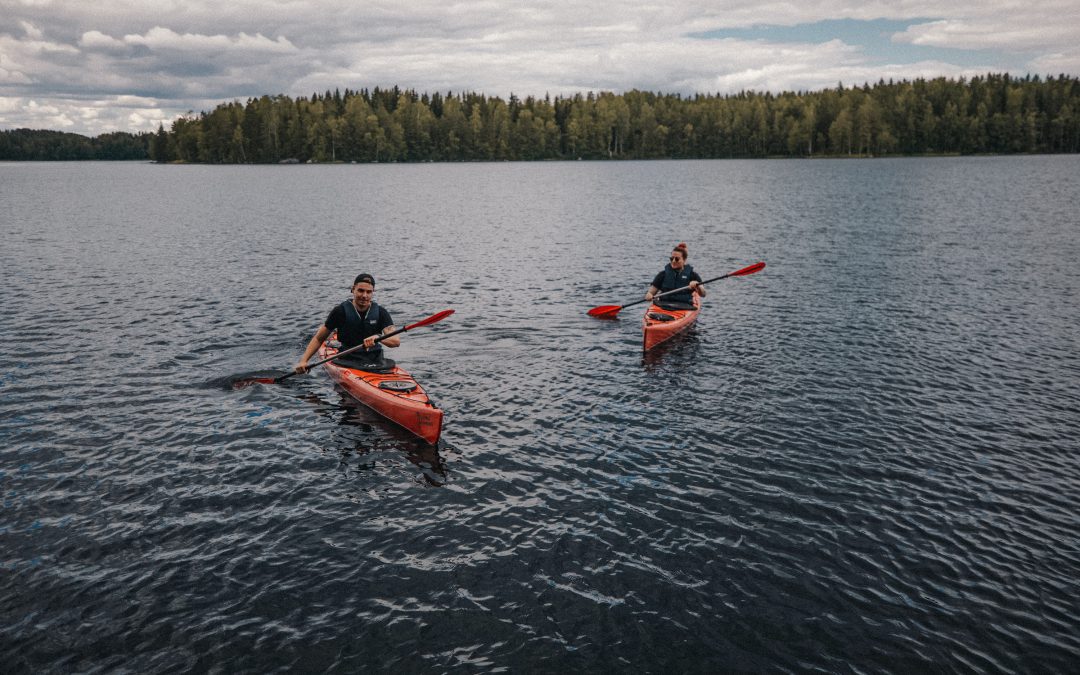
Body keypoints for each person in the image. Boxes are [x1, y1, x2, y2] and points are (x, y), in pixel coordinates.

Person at [294, 273, 400, 374]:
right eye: (360, 291)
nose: (364, 295)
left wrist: (378, 337)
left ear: (373, 292)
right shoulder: (340, 311)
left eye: (369, 292)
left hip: (377, 361)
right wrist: (304, 361)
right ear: (353, 289)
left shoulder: (381, 312)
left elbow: (395, 341)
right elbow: (318, 338)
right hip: (347, 359)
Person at [645, 242, 706, 308]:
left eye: (677, 259)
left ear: (684, 260)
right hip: (663, 305)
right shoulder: (662, 274)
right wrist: (649, 295)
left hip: (684, 306)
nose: (673, 261)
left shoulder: (693, 275)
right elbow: (650, 292)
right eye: (671, 258)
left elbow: (703, 294)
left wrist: (697, 285)